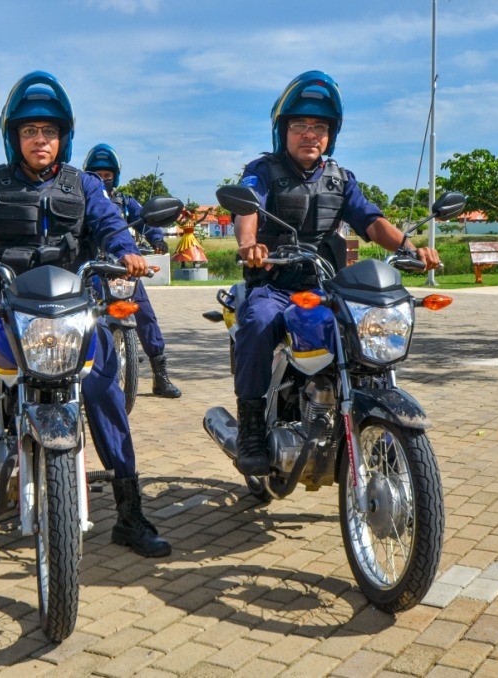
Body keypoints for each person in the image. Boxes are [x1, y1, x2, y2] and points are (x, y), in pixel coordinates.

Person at [0, 71, 170, 558]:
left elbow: (110, 225)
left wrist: (126, 251)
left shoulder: (84, 185)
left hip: (74, 304)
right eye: (29, 131)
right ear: (14, 137)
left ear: (63, 137)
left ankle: (129, 512)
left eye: (48, 131)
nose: (39, 139)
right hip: (8, 300)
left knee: (104, 386)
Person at [231, 70, 440, 476]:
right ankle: (251, 427)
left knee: (364, 329)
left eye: (320, 127)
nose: (310, 134)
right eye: (300, 125)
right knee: (257, 322)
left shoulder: (340, 179)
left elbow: (372, 221)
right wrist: (249, 245)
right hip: (274, 284)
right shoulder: (262, 170)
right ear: (282, 130)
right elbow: (247, 209)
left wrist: (410, 249)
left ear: (331, 134)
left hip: (326, 287)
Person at [82, 143, 182, 399]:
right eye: (97, 174)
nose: (102, 179)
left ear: (115, 176)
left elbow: (146, 221)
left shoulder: (126, 203)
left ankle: (160, 375)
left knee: (145, 313)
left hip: (123, 269)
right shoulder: (80, 200)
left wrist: (157, 239)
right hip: (92, 270)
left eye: (107, 175)